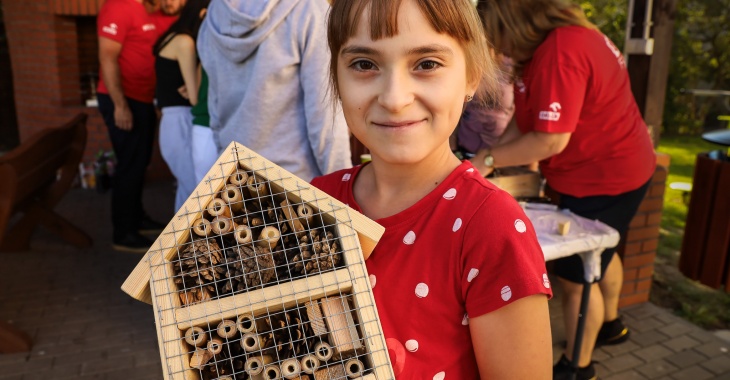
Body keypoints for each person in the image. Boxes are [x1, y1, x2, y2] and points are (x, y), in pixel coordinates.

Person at [311, 0, 553, 378]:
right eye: (364, 64)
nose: (394, 98)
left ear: (472, 76)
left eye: (427, 64)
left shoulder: (490, 227)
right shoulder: (314, 202)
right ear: (336, 77)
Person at [476, 1, 657, 379]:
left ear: (515, 19)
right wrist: (488, 157)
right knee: (602, 251)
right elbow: (524, 124)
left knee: (576, 283)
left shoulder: (561, 51)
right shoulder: (556, 43)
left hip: (604, 180)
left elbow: (549, 142)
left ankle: (579, 367)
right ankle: (610, 325)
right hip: (619, 170)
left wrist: (488, 160)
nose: (501, 48)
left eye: (498, 35)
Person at [197, 0, 352, 182]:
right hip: (297, 189)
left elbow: (215, 113)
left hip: (236, 180)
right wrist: (342, 188)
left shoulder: (211, 20)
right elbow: (325, 117)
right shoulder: (308, 9)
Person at [97, 0, 165, 252]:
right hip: (124, 100)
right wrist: (120, 105)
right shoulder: (117, 6)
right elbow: (107, 57)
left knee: (139, 163)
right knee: (129, 165)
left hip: (143, 99)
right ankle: (123, 233)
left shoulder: (146, 8)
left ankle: (137, 218)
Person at [153, 0, 209, 211]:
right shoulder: (185, 41)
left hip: (172, 121)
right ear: (202, 14)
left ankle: (179, 243)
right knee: (195, 192)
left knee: (187, 191)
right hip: (181, 121)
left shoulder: (172, 36)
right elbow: (195, 98)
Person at [453, 56, 515, 158]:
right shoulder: (469, 60)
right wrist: (453, 147)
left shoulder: (513, 64)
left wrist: (532, 165)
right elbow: (455, 107)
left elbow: (526, 113)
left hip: (503, 156)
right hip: (463, 151)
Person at [190, 68, 217, 184]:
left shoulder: (206, 49)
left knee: (206, 191)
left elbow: (193, 96)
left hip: (206, 124)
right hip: (208, 122)